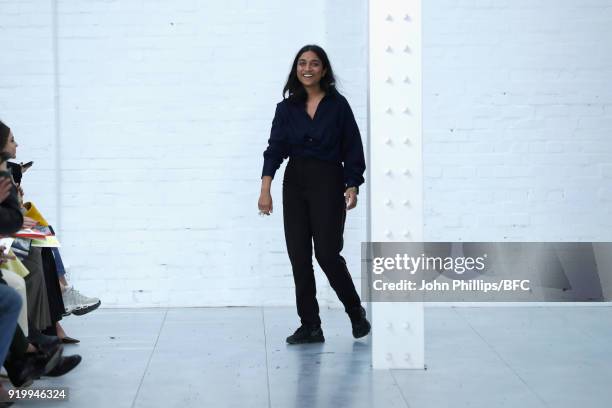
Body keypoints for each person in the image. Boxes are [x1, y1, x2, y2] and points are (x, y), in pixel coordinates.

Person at [258, 45, 371, 344]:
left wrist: (352, 183)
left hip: (328, 181)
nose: (307, 68)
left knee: (327, 254)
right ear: (296, 69)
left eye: (314, 63)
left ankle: (355, 311)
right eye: (302, 63)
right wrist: (265, 190)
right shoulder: (286, 109)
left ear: (324, 70)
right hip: (294, 183)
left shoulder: (338, 106)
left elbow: (353, 147)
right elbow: (274, 150)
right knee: (299, 257)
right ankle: (311, 326)